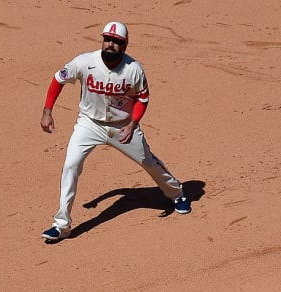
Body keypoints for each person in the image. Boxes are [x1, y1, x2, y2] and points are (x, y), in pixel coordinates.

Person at [39, 21, 190, 244]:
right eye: (107, 40)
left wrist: (132, 123)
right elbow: (58, 79)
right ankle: (61, 225)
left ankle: (177, 193)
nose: (110, 44)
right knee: (71, 165)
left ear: (124, 45)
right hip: (89, 124)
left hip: (123, 127)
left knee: (148, 162)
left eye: (116, 42)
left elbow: (143, 98)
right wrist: (47, 111)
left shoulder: (134, 69)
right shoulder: (84, 62)